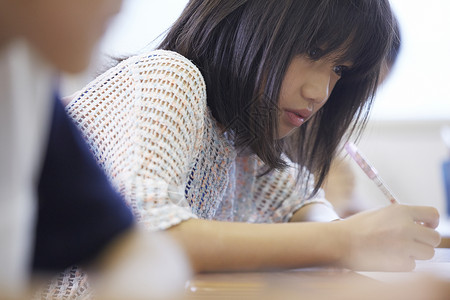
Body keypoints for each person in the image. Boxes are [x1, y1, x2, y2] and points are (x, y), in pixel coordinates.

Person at [65, 0, 441, 274]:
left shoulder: (242, 137)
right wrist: (345, 240)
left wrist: (345, 234)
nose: (321, 92)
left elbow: (299, 204)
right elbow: (145, 239)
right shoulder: (169, 77)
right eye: (312, 51)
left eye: (339, 69)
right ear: (248, 20)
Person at [0, 0, 189, 299]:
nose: (119, 9)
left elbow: (136, 248)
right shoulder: (171, 75)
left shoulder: (24, 75)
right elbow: (162, 228)